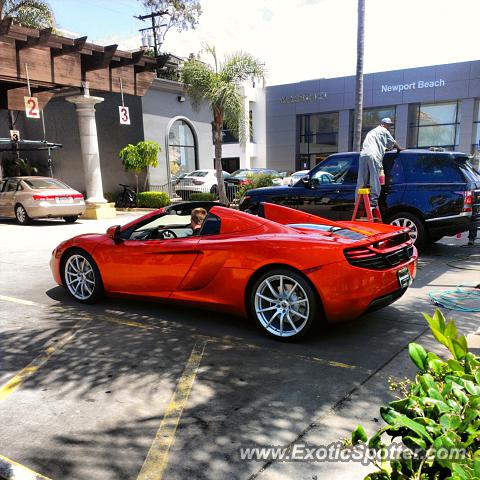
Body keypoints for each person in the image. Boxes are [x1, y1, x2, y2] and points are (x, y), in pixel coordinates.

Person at [356, 118, 403, 209]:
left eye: (389, 125)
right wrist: (400, 149)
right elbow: (393, 143)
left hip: (363, 154)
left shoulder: (371, 132)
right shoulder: (384, 131)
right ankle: (373, 202)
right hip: (373, 155)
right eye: (388, 125)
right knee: (374, 177)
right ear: (382, 124)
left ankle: (358, 203)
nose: (389, 127)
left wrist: (384, 148)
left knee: (361, 179)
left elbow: (379, 144)